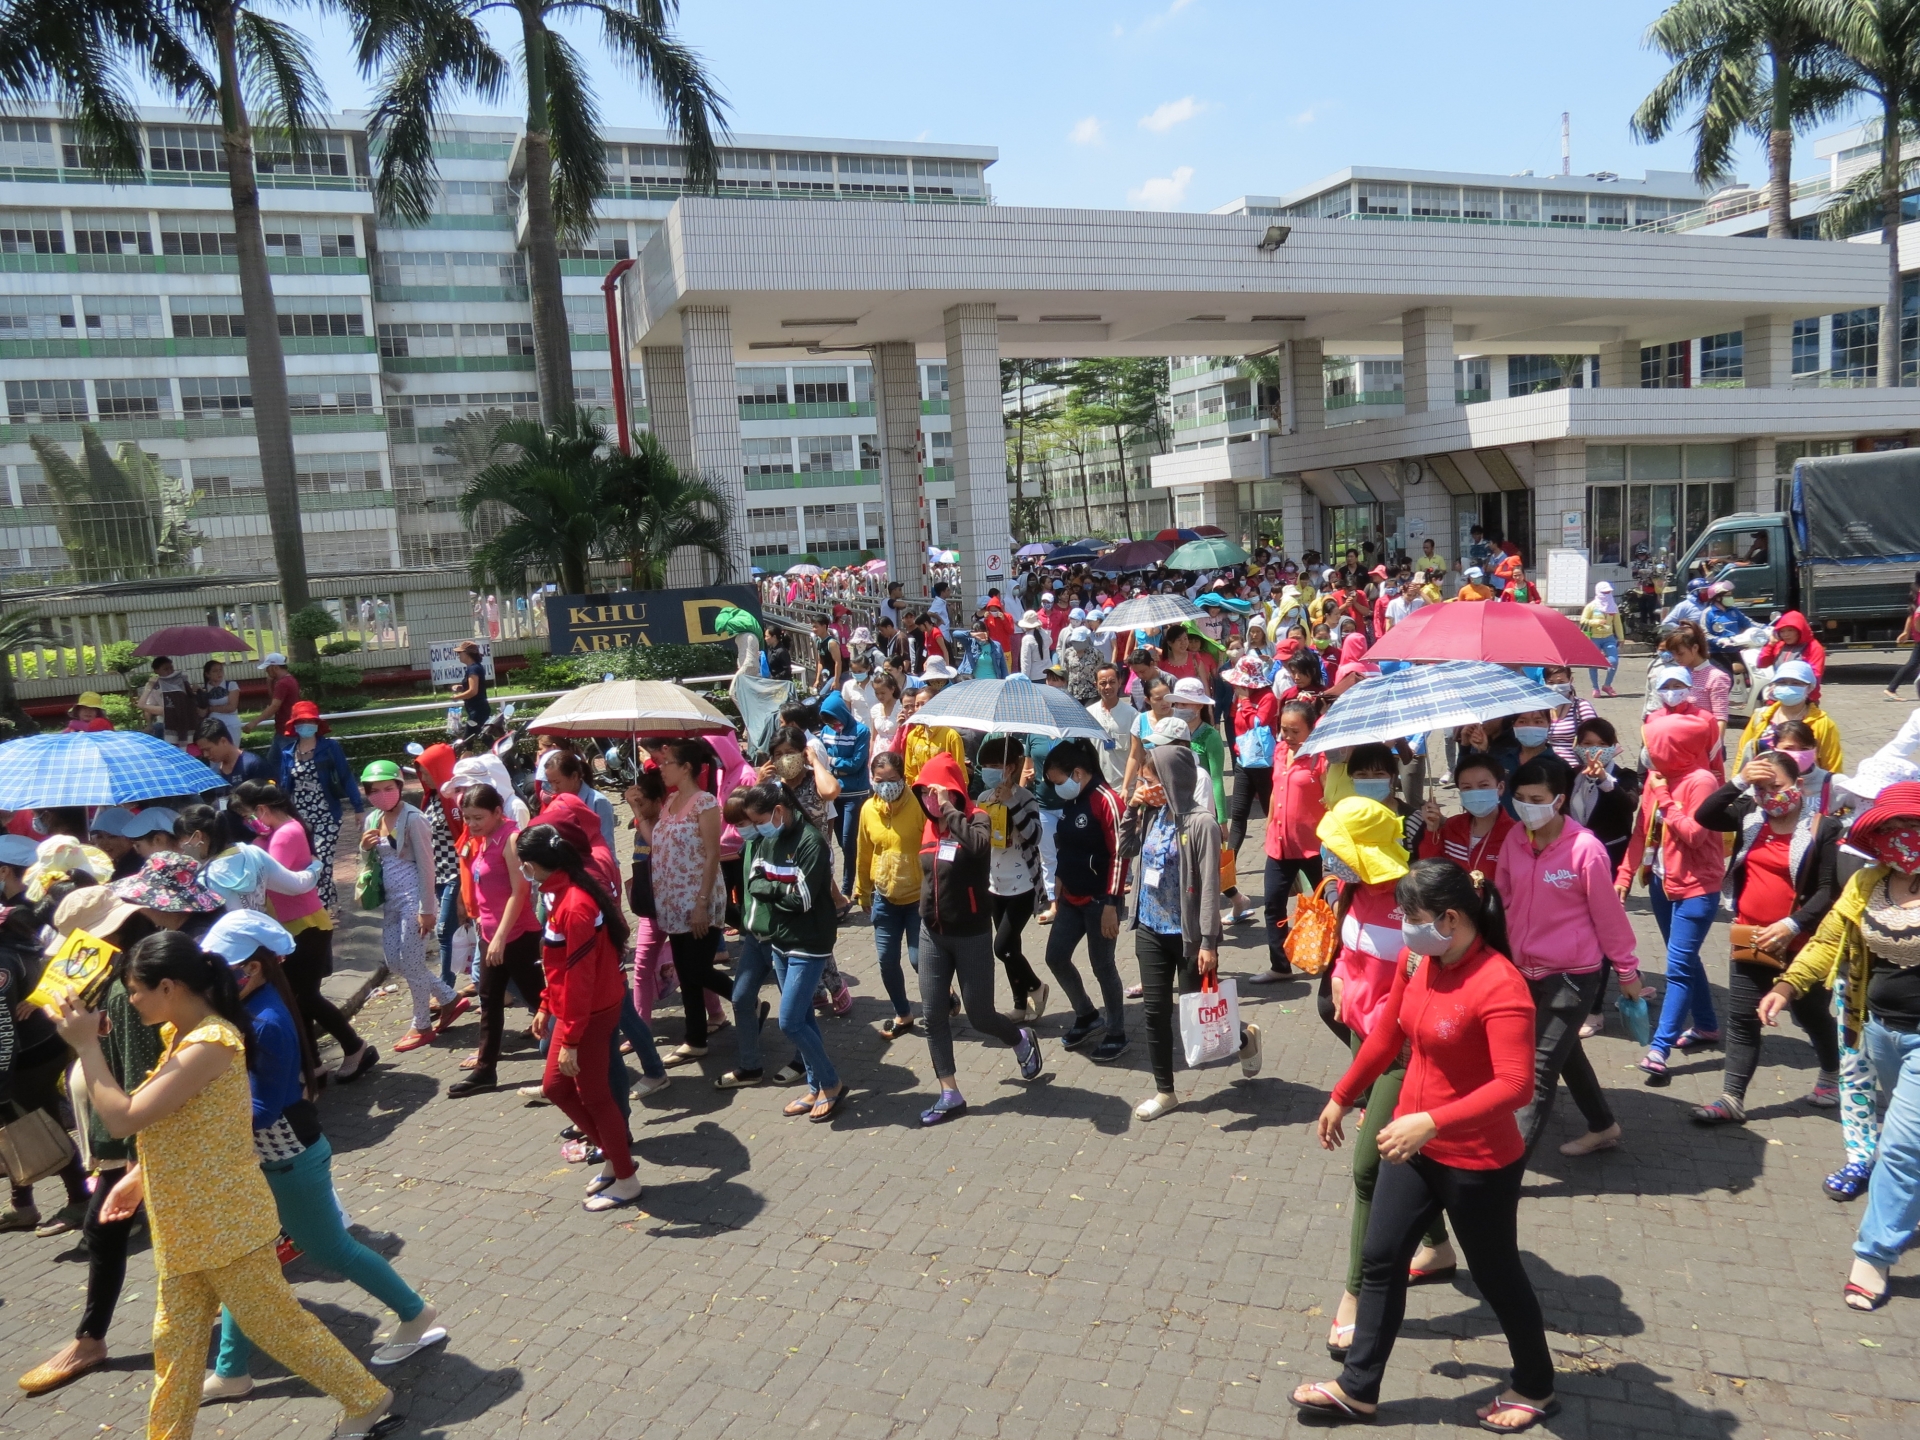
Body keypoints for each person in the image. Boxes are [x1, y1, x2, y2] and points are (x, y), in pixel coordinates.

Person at [47, 930, 398, 1439]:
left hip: (224, 1226)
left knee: (280, 1328)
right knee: (175, 1345)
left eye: (136, 990)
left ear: (168, 987)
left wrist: (84, 1047)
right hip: (187, 1226)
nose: (132, 1001)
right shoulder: (181, 1037)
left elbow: (123, 1119)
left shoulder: (212, 1042)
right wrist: (140, 1177)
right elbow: (188, 1125)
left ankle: (366, 1398)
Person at [1293, 860, 1552, 1432]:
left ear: (1452, 918)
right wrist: (1342, 1096)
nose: (1405, 929)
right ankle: (1358, 1391)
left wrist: (1432, 1121)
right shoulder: (1420, 960)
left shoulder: (1501, 984)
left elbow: (1515, 1086)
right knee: (1381, 1258)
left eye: (1412, 918)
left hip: (1478, 1160)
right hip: (1414, 1147)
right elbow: (1387, 1033)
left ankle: (1535, 1385)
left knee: (1497, 1275)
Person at [198, 910, 444, 1400]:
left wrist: (200, 1115)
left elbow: (264, 1108)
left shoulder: (265, 1020)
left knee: (329, 1249)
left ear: (257, 967)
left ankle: (415, 1314)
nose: (218, 982)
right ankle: (231, 1368)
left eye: (227, 971)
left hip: (288, 1159)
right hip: (277, 1158)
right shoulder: (250, 1009)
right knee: (249, 1265)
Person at [1762, 781, 1920, 1309]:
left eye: (1917, 829)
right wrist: (1787, 987)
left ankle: (1872, 1256)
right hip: (1872, 1029)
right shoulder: (1869, 882)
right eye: (1896, 829)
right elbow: (1830, 939)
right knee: (1902, 1134)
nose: (1907, 839)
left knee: (1900, 1147)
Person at [14, 889, 161, 1393]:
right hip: (129, 1144)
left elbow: (145, 1079)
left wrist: (139, 1163)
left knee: (106, 1232)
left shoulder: (133, 985)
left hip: (137, 1143)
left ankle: (90, 1340)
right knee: (111, 1235)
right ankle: (91, 1338)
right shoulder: (126, 976)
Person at [1497, 754, 1647, 1159]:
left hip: (1572, 975)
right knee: (1565, 1053)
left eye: (1537, 798)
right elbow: (1504, 899)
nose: (1528, 806)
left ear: (1559, 800)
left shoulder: (1586, 850)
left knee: (1539, 1065)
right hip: (1523, 970)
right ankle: (1603, 1124)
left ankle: (1505, 1166)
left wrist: (1627, 970)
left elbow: (1608, 916)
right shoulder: (1515, 839)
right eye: (1521, 798)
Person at [1688, 749, 1843, 1127]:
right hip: (1751, 935)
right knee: (1741, 1018)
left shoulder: (1824, 828)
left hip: (1803, 944)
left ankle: (1830, 1073)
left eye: (1776, 786)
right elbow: (1705, 815)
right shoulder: (1750, 816)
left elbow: (1828, 889)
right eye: (1760, 788)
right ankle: (1732, 1098)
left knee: (1810, 1015)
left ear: (1799, 785)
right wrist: (1739, 780)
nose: (1769, 795)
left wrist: (1793, 924)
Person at [1121, 729, 1259, 1121]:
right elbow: (1125, 848)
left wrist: (1209, 943)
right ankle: (1166, 1092)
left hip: (1186, 935)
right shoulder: (1149, 813)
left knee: (1196, 1012)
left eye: (1150, 781)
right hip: (1149, 924)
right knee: (1153, 1011)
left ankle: (1245, 1038)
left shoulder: (1202, 824)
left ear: (1170, 781)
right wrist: (1132, 807)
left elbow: (1212, 888)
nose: (1145, 787)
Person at [911, 751, 1042, 1125]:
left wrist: (950, 813)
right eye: (923, 793)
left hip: (970, 934)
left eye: (935, 792)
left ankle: (1019, 1040)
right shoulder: (927, 826)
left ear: (953, 791)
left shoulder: (976, 817)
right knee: (933, 1014)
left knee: (981, 1015)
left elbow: (981, 847)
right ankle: (949, 1093)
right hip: (932, 932)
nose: (928, 800)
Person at [518, 824, 643, 1212]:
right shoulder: (563, 894)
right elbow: (556, 964)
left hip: (589, 1014)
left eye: (525, 865)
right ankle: (613, 1158)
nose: (524, 872)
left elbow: (580, 975)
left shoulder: (574, 903)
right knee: (557, 1087)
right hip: (575, 1012)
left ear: (539, 864)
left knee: (595, 1096)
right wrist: (544, 1004)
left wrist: (570, 1037)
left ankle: (625, 1177)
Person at [232, 786, 373, 1084]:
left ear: (263, 809)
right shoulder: (276, 833)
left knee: (304, 997)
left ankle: (355, 1047)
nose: (249, 822)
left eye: (249, 815)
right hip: (292, 926)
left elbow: (273, 878)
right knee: (297, 999)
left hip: (304, 926)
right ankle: (314, 1065)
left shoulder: (285, 833)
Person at [1618, 708, 1727, 1083]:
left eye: (1652, 744)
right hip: (1663, 885)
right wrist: (1625, 875)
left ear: (1672, 746)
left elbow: (1695, 834)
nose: (1647, 751)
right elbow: (1640, 832)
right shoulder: (1656, 779)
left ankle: (1659, 1048)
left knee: (1677, 968)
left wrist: (1666, 798)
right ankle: (1708, 1026)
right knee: (1685, 958)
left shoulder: (1701, 781)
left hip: (1698, 888)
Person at [740, 780, 847, 1120]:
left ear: (779, 811)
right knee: (801, 1017)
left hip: (809, 943)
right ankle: (815, 1086)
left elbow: (801, 900)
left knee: (788, 1022)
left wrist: (772, 887)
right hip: (779, 941)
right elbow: (752, 882)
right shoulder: (768, 840)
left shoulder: (810, 841)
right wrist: (779, 886)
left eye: (759, 820)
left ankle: (831, 1082)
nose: (757, 828)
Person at [0, 870, 90, 1236]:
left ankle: (79, 1198)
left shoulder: (3, 963)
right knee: (21, 1130)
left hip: (27, 1058)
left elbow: (3, 1031)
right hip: (41, 1048)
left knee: (39, 1127)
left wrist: (2, 1085)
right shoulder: (22, 945)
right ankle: (22, 1204)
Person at [358, 760, 465, 1054]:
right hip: (391, 900)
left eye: (389, 788)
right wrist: (364, 848)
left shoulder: (414, 819)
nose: (383, 794)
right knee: (395, 961)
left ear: (400, 788)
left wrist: (427, 909)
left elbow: (428, 867)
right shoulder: (371, 820)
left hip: (414, 899)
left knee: (414, 964)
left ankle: (421, 1025)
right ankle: (447, 997)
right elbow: (368, 864)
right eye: (375, 790)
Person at [444, 784, 544, 1097]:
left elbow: (521, 892)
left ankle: (574, 1060)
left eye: (478, 817)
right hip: (491, 935)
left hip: (517, 935)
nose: (471, 824)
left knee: (542, 1000)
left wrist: (500, 937)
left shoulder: (511, 839)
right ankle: (485, 1071)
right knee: (489, 1001)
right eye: (466, 817)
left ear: (498, 812)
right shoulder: (483, 838)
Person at [1042, 738, 1130, 1061]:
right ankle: (1087, 1015)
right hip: (1072, 898)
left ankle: (1117, 1031)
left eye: (1058, 781)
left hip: (1100, 902)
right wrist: (1061, 878)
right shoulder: (1072, 799)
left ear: (1077, 773)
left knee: (1102, 965)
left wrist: (1111, 903)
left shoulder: (1107, 801)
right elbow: (1064, 843)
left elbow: (1121, 855)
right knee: (1055, 956)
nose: (1055, 788)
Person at [653, 737, 733, 1066]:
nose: (660, 768)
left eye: (666, 763)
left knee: (697, 969)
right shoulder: (668, 801)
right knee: (686, 973)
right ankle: (695, 1039)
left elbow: (713, 854)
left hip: (699, 900)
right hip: (671, 902)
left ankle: (745, 999)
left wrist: (701, 903)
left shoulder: (705, 803)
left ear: (686, 768)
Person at [1249, 699, 1329, 986]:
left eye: (1295, 731)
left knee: (1326, 906)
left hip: (1314, 847)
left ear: (1311, 730)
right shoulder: (1281, 751)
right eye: (1284, 729)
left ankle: (1332, 962)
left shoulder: (1321, 757)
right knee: (1273, 904)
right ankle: (1280, 965)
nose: (1287, 737)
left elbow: (1330, 800)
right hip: (1279, 845)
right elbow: (1274, 792)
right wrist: (1270, 823)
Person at [855, 750, 926, 1040]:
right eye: (879, 780)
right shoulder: (868, 810)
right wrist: (862, 891)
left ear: (903, 778)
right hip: (884, 897)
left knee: (918, 959)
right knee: (886, 960)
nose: (886, 785)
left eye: (892, 780)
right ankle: (903, 1013)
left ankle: (941, 995)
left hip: (918, 898)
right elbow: (862, 852)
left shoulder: (920, 805)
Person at [977, 735, 1048, 1022]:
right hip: (995, 884)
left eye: (996, 765)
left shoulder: (1026, 798)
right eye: (986, 766)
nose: (990, 771)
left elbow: (1035, 836)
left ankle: (1036, 987)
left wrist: (1011, 804)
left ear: (1010, 768)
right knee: (1011, 950)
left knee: (1002, 947)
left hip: (1023, 886)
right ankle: (1020, 1005)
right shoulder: (983, 798)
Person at [273, 701, 363, 914]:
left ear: (316, 723)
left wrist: (358, 807)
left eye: (309, 721)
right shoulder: (288, 753)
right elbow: (285, 786)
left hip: (326, 815)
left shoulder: (330, 748)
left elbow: (346, 776)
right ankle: (330, 901)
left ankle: (320, 911)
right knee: (308, 861)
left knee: (322, 859)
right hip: (300, 818)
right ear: (294, 725)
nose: (305, 725)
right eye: (301, 721)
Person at [1734, 659, 1843, 777]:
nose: (1788, 687)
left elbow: (1832, 765)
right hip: (1762, 788)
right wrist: (1736, 784)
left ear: (1809, 687)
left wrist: (1830, 790)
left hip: (1806, 790)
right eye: (1782, 682)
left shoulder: (1823, 723)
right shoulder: (1760, 716)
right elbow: (1743, 754)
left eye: (1796, 683)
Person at [1418, 750, 1515, 882]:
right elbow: (1430, 868)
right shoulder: (1452, 826)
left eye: (1484, 785)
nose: (1476, 792)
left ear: (1500, 787)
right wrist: (1432, 830)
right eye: (1467, 787)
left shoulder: (1514, 834)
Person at [819, 693, 872, 902]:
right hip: (834, 793)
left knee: (850, 840)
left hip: (855, 794)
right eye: (828, 720)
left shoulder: (861, 731)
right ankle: (858, 879)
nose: (833, 724)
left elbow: (856, 764)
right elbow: (825, 757)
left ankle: (848, 888)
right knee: (841, 841)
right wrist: (838, 762)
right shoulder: (825, 731)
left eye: (834, 718)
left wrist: (832, 761)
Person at [1088, 662, 1144, 793]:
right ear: (1095, 685)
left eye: (1112, 682)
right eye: (1103, 683)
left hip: (1125, 789)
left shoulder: (1133, 715)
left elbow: (1139, 755)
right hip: (1097, 789)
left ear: (1120, 682)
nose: (1108, 687)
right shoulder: (1088, 714)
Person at [139, 656, 200, 747]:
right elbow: (147, 707)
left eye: (171, 668)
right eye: (165, 669)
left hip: (182, 719)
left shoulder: (179, 682)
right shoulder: (155, 686)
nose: (170, 671)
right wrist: (149, 724)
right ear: (156, 671)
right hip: (164, 720)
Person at [1578, 582, 1624, 697]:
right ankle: (1595, 688)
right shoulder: (1591, 606)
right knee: (1593, 663)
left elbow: (1617, 623)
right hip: (1594, 637)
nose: (1607, 594)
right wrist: (1596, 622)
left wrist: (1621, 637)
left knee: (1613, 661)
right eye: (1604, 592)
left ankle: (1607, 685)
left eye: (1608, 592)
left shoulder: (1613, 606)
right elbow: (1583, 620)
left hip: (1609, 637)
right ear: (1598, 592)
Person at [197, 720, 275, 785]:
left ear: (223, 741)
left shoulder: (253, 765)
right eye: (202, 751)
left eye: (208, 749)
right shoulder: (214, 771)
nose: (205, 755)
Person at [246, 652, 301, 738]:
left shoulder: (282, 683)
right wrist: (269, 683)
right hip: (288, 728)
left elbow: (274, 706)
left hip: (285, 729)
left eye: (267, 668)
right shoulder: (291, 680)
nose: (266, 671)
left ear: (275, 668)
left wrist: (253, 723)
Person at [199, 660, 243, 744]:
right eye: (215, 671)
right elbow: (201, 711)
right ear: (207, 674)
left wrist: (210, 709)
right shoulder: (205, 690)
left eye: (220, 670)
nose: (219, 673)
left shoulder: (231, 685)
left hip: (231, 723)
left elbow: (232, 707)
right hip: (213, 725)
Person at [449, 640, 489, 730]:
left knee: (467, 740)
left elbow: (473, 691)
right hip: (479, 710)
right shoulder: (475, 667)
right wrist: (462, 687)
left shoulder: (473, 669)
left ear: (467, 654)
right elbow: (476, 687)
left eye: (460, 652)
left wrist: (457, 697)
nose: (458, 655)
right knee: (484, 738)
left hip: (477, 711)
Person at [1017, 609, 1051, 680]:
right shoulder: (1044, 633)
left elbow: (1026, 662)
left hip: (1035, 676)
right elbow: (1050, 641)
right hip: (1048, 673)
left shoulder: (1027, 639)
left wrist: (1024, 678)